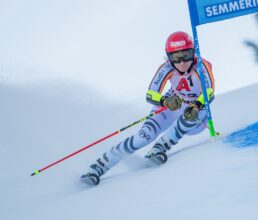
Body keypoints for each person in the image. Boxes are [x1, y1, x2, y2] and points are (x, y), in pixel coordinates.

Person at [81, 31, 215, 185]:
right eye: (176, 58)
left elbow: (209, 91)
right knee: (143, 137)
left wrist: (197, 104)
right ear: (169, 57)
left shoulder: (201, 65)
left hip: (197, 113)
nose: (182, 62)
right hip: (173, 104)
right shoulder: (166, 68)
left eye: (186, 55)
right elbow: (151, 94)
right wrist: (165, 101)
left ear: (193, 52)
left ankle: (160, 146)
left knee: (190, 114)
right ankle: (99, 166)